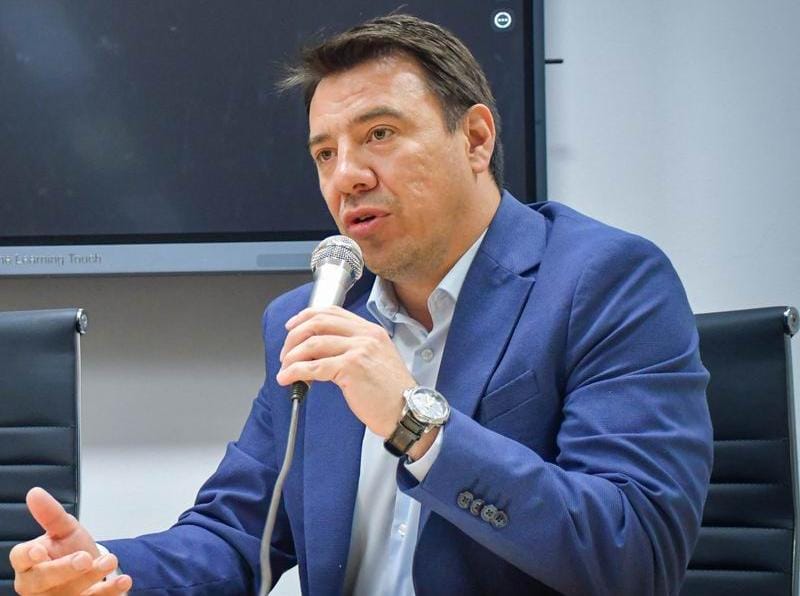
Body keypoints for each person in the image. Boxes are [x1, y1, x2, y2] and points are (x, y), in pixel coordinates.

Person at [10, 14, 713, 596]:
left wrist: (416, 426)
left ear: (475, 139)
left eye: (379, 134)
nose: (346, 176)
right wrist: (107, 570)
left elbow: (636, 554)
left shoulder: (603, 281)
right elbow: (236, 534)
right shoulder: (313, 317)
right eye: (324, 153)